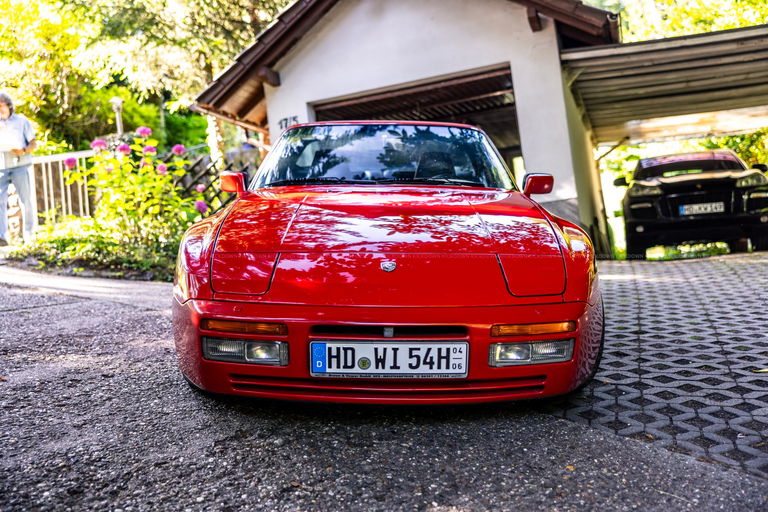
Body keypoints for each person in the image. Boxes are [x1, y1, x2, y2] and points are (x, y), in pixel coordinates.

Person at [0, 92, 36, 246]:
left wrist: (23, 150)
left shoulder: (21, 121)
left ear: (8, 106)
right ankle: (2, 237)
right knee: (0, 201)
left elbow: (33, 144)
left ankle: (29, 235)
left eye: (1, 105)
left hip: (20, 165)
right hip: (1, 167)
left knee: (25, 200)